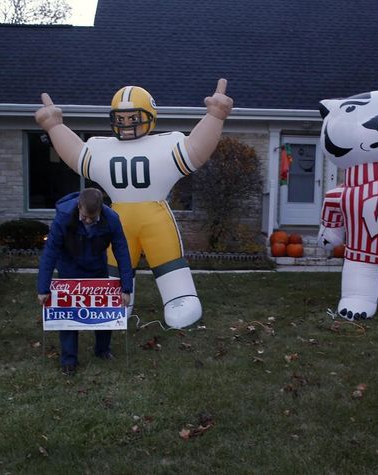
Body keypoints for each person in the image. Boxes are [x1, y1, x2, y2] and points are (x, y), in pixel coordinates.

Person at [34, 79, 233, 329]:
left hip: (154, 216)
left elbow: (195, 150)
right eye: (121, 119)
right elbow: (76, 155)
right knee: (115, 261)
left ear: (150, 116)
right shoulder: (103, 148)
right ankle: (117, 300)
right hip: (119, 219)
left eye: (133, 117)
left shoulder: (165, 144)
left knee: (167, 258)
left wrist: (215, 116)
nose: (127, 124)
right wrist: (54, 126)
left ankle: (179, 296)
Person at [37, 188, 133, 375]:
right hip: (68, 268)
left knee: (104, 311)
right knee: (68, 315)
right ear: (78, 206)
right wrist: (43, 288)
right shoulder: (63, 217)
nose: (88, 221)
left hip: (97, 269)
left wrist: (126, 288)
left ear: (101, 210)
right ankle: (69, 359)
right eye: (84, 217)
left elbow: (122, 252)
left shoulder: (112, 219)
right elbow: (49, 253)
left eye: (93, 218)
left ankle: (103, 350)